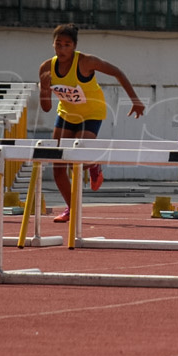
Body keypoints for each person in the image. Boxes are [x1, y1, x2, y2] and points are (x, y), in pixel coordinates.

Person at [39, 24, 145, 223]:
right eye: (58, 44)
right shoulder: (46, 68)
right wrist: (44, 89)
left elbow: (118, 73)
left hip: (91, 113)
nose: (62, 49)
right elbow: (45, 108)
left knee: (77, 160)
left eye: (67, 45)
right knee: (58, 165)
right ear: (52, 44)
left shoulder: (86, 62)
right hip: (67, 114)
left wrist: (135, 100)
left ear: (75, 46)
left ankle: (94, 163)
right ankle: (72, 208)